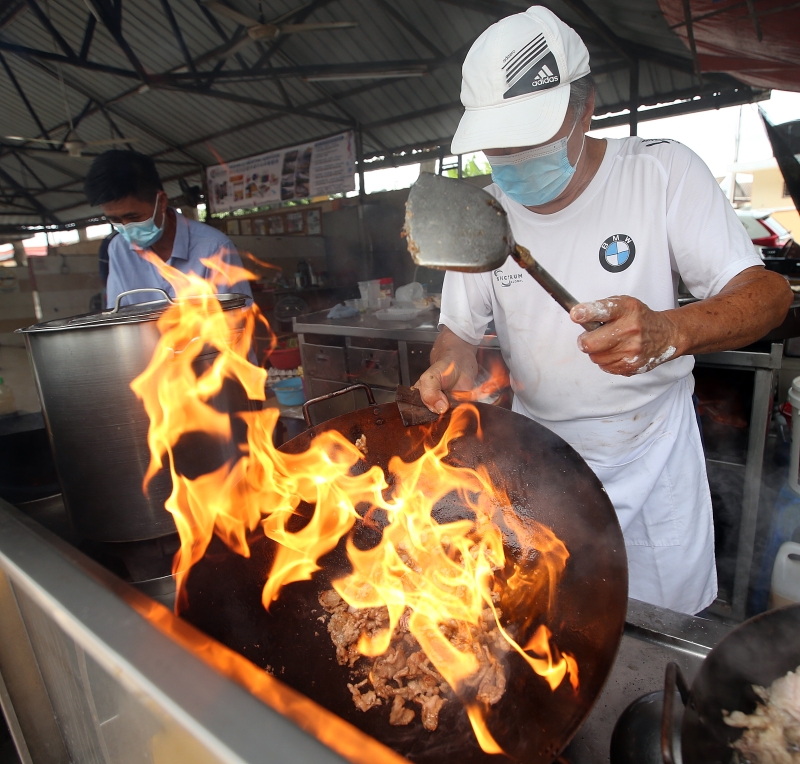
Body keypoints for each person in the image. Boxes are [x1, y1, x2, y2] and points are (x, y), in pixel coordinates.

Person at [416, 6, 793, 615]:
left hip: (654, 459)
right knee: (555, 635)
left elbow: (769, 296)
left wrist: (671, 329)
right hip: (541, 468)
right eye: (498, 145)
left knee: (657, 643)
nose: (511, 158)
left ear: (584, 110)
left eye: (528, 137)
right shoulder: (481, 217)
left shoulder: (661, 173)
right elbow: (457, 334)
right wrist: (449, 370)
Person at [83, 150, 252, 308]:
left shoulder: (214, 247)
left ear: (161, 201)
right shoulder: (118, 249)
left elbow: (238, 320)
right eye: (115, 220)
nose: (126, 227)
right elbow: (118, 317)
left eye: (134, 217)